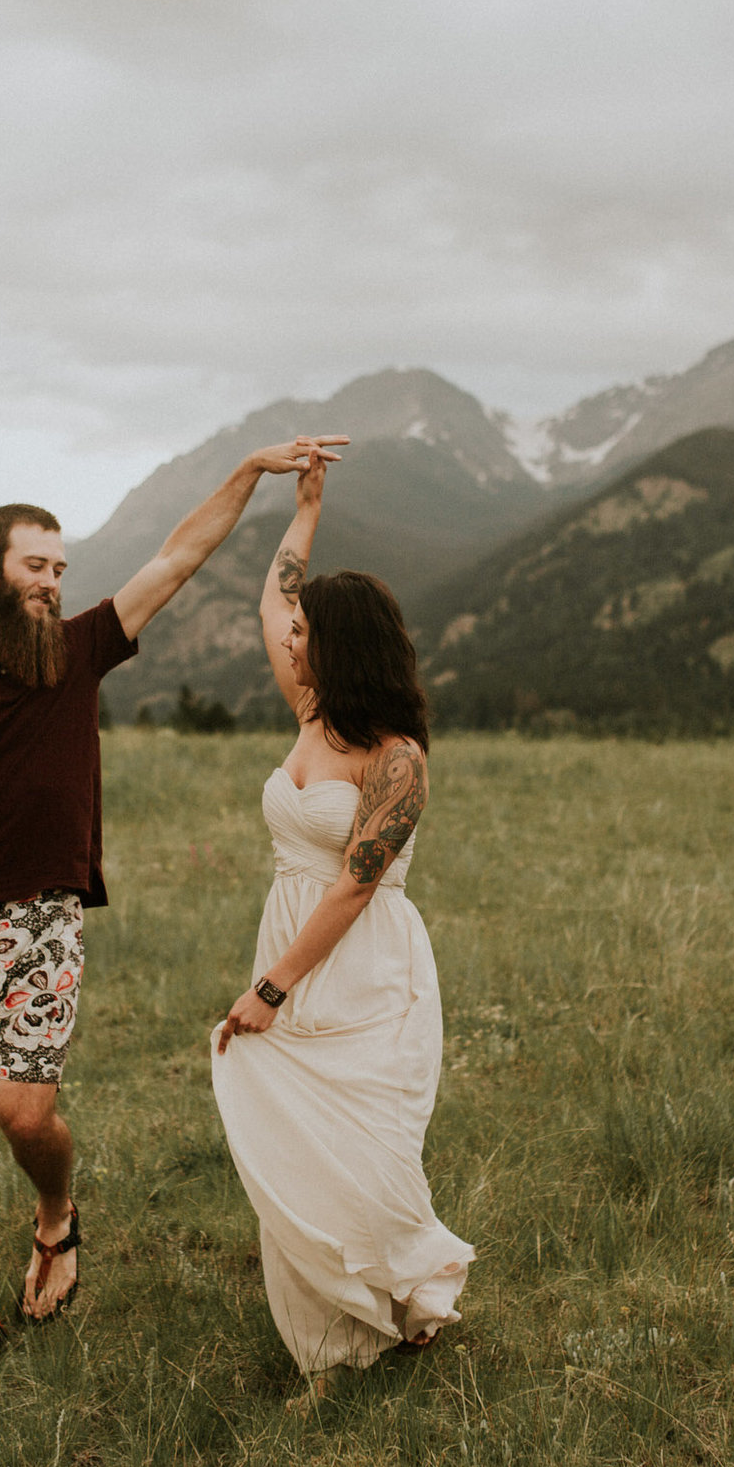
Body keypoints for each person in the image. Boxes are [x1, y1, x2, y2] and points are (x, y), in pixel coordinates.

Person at [0, 434, 346, 1382]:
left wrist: (251, 476)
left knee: (23, 1111)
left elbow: (179, 555)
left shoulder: (79, 650)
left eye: (61, 567)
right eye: (36, 566)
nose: (53, 582)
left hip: (44, 917)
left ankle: (56, 1217)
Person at [209, 450, 473, 1409]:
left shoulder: (397, 761)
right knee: (295, 1141)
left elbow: (357, 887)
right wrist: (305, 508)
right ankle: (328, 1337)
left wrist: (272, 987)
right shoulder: (313, 712)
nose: (295, 640)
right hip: (288, 934)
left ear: (345, 646)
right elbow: (274, 602)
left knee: (363, 1146)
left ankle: (369, 1327)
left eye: (313, 633)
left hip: (358, 965)